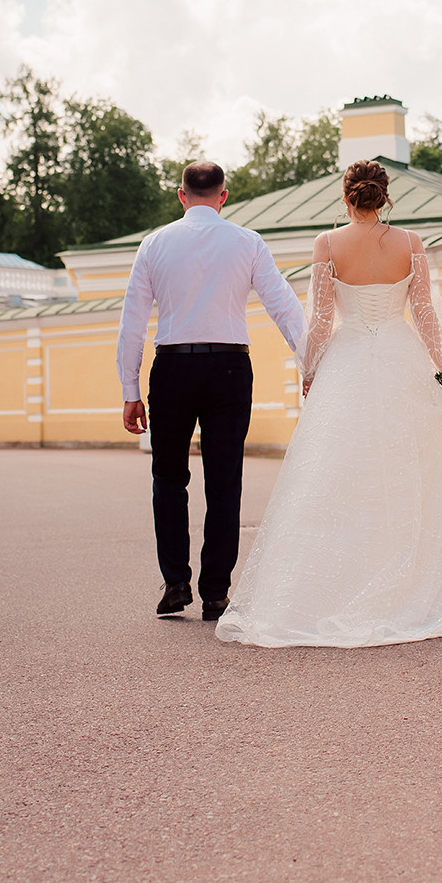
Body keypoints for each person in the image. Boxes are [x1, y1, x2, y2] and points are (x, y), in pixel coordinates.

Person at [216, 160, 442, 649]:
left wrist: (310, 372)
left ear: (346, 198)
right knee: (418, 470)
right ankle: (423, 583)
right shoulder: (410, 243)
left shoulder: (327, 245)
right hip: (401, 355)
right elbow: (425, 312)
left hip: (347, 363)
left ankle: (344, 586)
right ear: (385, 197)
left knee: (340, 472)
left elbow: (323, 318)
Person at [117, 160, 306, 621]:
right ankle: (216, 592)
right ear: (224, 196)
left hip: (173, 368)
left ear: (181, 195)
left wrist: (130, 388)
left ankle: (176, 582)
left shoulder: (154, 244)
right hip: (229, 368)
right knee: (225, 481)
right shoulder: (247, 242)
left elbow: (133, 322)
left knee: (168, 478)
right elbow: (283, 304)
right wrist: (310, 362)